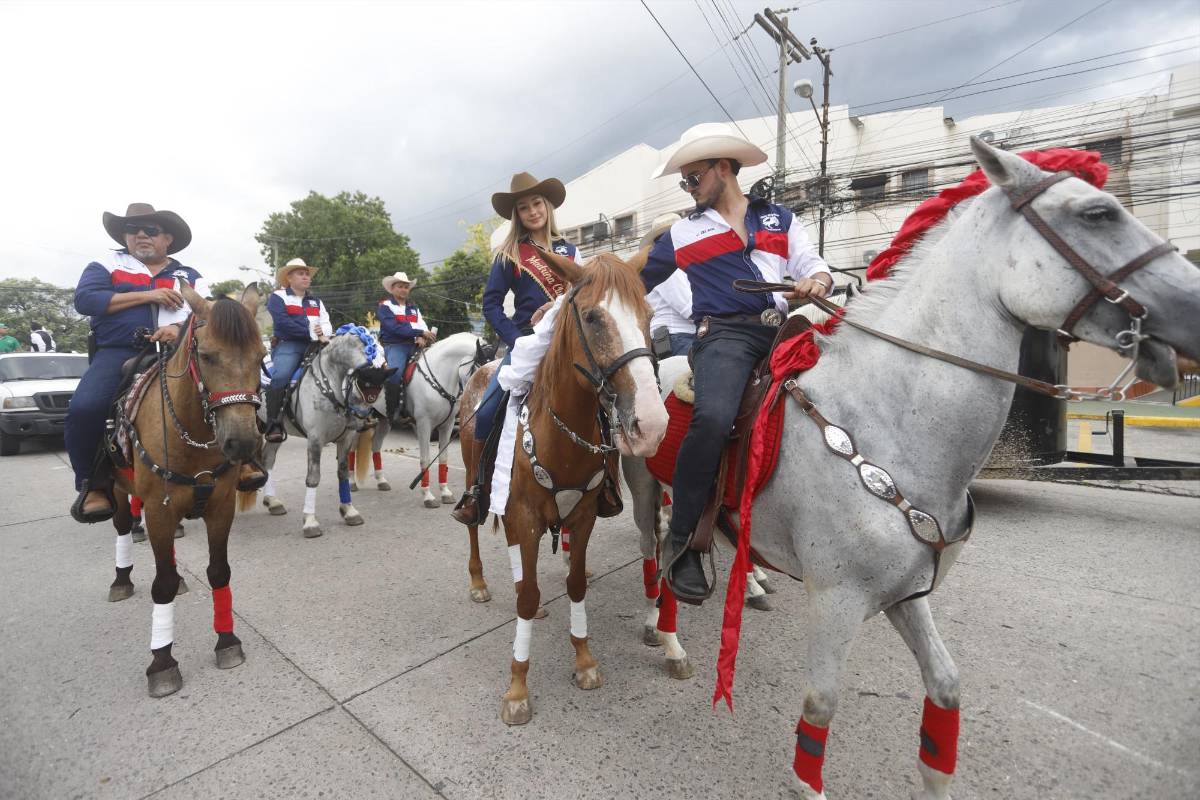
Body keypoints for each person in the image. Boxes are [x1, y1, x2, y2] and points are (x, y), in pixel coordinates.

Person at [641, 123, 834, 604]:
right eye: (685, 181)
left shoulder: (780, 220)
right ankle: (683, 542)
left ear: (722, 169)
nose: (688, 188)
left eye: (692, 178)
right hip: (725, 335)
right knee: (712, 417)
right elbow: (630, 278)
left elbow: (813, 265)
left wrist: (818, 283)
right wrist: (564, 303)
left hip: (783, 332)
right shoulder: (682, 233)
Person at [451, 172, 581, 525]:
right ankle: (477, 490)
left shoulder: (570, 250)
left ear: (547, 206)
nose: (532, 211)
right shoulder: (510, 254)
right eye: (524, 207)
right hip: (526, 340)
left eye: (537, 203)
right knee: (489, 406)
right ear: (517, 215)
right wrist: (517, 338)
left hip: (569, 340)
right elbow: (491, 305)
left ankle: (607, 483)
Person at [66, 203, 208, 521]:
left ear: (167, 238)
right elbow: (85, 300)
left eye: (151, 229)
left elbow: (204, 313)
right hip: (119, 351)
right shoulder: (105, 263)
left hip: (178, 353)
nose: (141, 234)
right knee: (84, 408)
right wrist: (149, 296)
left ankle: (238, 464)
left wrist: (177, 328)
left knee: (230, 394)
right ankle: (94, 485)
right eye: (133, 229)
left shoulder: (189, 275)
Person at [263, 258, 332, 443]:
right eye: (301, 274)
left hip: (317, 343)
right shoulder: (278, 297)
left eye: (307, 274)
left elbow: (326, 323)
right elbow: (283, 324)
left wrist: (323, 332)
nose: (305, 277)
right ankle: (273, 424)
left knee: (340, 368)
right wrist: (313, 330)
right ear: (289, 278)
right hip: (289, 344)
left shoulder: (316, 301)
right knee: (281, 376)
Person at [377, 271, 435, 423]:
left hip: (414, 345)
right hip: (395, 346)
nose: (403, 289)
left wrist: (422, 336)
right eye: (400, 286)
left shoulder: (413, 308)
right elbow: (394, 328)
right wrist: (420, 332)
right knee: (395, 374)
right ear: (392, 288)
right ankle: (392, 412)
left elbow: (422, 325)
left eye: (406, 287)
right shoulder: (385, 306)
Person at [641, 213, 696, 358]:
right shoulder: (669, 267)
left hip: (673, 338)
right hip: (678, 337)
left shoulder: (660, 265)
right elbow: (689, 309)